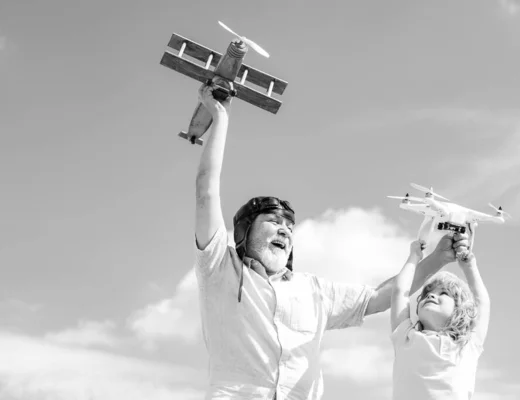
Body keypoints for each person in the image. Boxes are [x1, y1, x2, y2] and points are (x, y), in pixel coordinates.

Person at [192, 83, 470, 400]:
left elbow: (379, 298)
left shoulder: (314, 291)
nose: (284, 231)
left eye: (289, 227)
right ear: (242, 232)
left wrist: (438, 258)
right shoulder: (219, 269)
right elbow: (206, 191)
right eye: (272, 222)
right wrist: (220, 116)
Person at [390, 239, 491, 400]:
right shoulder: (405, 337)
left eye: (443, 293)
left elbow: (482, 303)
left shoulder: (466, 346)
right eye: (427, 293)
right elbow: (399, 291)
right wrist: (413, 257)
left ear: (461, 309)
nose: (431, 295)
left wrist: (469, 267)